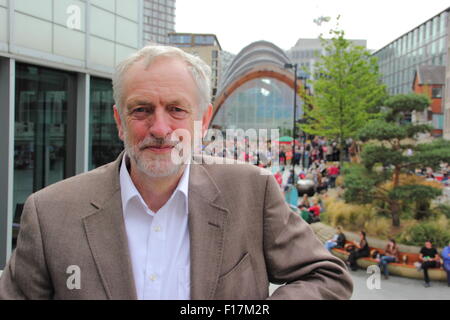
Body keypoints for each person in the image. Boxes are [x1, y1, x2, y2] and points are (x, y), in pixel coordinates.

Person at [0, 45, 352, 300]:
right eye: (141, 110)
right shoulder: (50, 212)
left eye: (176, 109)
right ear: (120, 121)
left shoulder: (251, 191)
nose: (160, 127)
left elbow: (328, 277)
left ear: (203, 120)